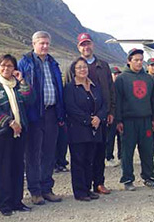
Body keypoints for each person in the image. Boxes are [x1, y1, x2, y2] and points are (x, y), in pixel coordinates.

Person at [0, 54, 33, 216]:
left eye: (10, 66)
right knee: (4, 168)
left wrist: (23, 81)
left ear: (14, 68)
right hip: (2, 133)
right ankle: (5, 204)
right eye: (3, 65)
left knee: (18, 167)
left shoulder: (17, 84)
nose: (6, 68)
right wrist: (10, 122)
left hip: (19, 133)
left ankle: (17, 201)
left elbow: (30, 100)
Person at [18, 31, 65, 205]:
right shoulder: (25, 63)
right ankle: (35, 191)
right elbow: (19, 90)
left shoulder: (53, 63)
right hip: (34, 115)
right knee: (33, 154)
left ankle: (47, 189)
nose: (44, 46)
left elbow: (58, 86)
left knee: (49, 154)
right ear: (33, 43)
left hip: (52, 113)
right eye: (41, 43)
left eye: (47, 43)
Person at [65, 33, 114, 195]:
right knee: (82, 156)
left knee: (99, 152)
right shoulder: (72, 67)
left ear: (92, 45)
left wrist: (109, 112)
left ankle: (98, 183)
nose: (86, 47)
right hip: (81, 121)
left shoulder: (104, 65)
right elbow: (68, 93)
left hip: (102, 115)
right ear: (78, 47)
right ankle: (83, 187)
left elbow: (110, 91)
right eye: (82, 45)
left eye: (88, 44)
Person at [115, 48, 154, 191]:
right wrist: (118, 120)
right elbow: (117, 101)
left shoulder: (148, 78)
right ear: (129, 61)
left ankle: (148, 177)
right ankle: (128, 179)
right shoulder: (121, 79)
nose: (139, 62)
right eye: (136, 60)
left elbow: (153, 100)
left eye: (141, 60)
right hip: (128, 120)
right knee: (127, 152)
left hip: (145, 120)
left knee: (147, 150)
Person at [64, 57, 106, 201]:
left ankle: (88, 189)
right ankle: (80, 192)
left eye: (84, 67)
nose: (83, 70)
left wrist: (99, 118)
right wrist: (89, 120)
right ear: (74, 71)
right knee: (78, 161)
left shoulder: (95, 87)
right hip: (78, 130)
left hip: (95, 129)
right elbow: (71, 108)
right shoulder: (70, 88)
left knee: (90, 160)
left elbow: (103, 105)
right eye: (79, 67)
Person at [106, 66, 122, 167]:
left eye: (118, 74)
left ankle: (121, 157)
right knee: (110, 137)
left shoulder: (121, 86)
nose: (117, 75)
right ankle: (109, 157)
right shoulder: (107, 87)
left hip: (120, 115)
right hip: (111, 115)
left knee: (121, 137)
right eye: (115, 74)